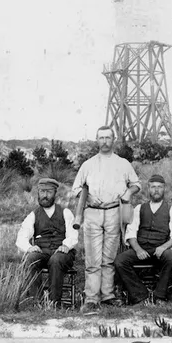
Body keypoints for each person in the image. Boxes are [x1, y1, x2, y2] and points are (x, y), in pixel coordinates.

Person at [71, 126, 141, 315]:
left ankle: (108, 296)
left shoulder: (123, 163)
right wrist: (88, 198)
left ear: (113, 139)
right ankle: (92, 299)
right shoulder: (88, 164)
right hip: (92, 213)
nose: (104, 141)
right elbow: (76, 189)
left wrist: (128, 192)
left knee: (109, 258)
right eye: (101, 138)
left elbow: (136, 184)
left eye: (108, 138)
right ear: (97, 139)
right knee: (93, 259)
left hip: (114, 212)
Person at [114, 174, 172, 305]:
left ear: (164, 189)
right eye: (153, 187)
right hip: (141, 248)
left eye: (159, 187)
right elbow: (131, 232)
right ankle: (140, 295)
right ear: (148, 189)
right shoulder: (139, 208)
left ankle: (159, 296)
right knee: (120, 261)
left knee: (171, 257)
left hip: (160, 249)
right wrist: (138, 249)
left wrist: (163, 247)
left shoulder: (171, 210)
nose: (156, 190)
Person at [16, 177, 78, 308]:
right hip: (42, 253)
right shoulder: (33, 215)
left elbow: (73, 234)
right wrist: (29, 248)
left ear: (55, 193)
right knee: (31, 258)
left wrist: (66, 245)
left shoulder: (66, 212)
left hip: (63, 254)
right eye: (42, 192)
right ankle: (35, 302)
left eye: (49, 192)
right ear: (38, 193)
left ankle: (54, 304)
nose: (45, 195)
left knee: (56, 260)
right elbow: (21, 237)